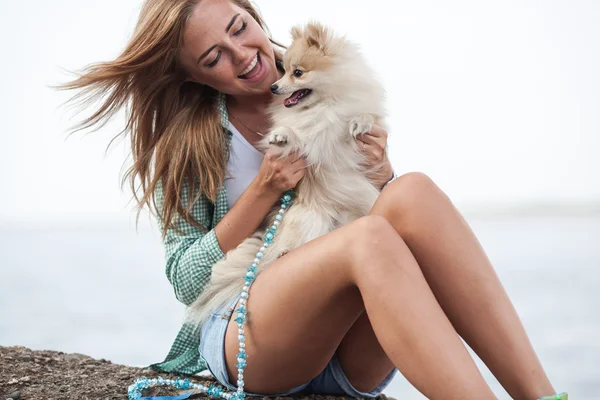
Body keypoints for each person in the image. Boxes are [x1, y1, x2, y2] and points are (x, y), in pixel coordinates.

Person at [59, 0, 567, 399]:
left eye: (238, 28)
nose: (242, 55)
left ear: (252, 13)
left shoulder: (322, 75)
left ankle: (543, 397)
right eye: (213, 57)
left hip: (348, 350)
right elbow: (184, 281)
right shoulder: (188, 142)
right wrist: (262, 192)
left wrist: (381, 175)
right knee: (364, 238)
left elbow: (390, 228)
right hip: (253, 338)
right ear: (193, 75)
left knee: (412, 190)